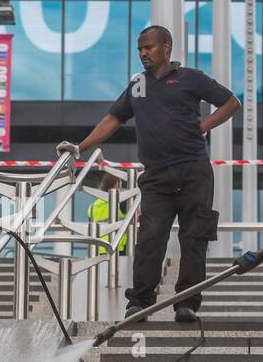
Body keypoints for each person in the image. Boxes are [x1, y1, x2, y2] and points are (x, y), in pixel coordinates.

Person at [57, 25, 240, 322]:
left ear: (166, 47)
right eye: (140, 48)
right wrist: (80, 147)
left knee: (194, 238)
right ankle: (140, 302)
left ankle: (187, 303)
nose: (143, 53)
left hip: (194, 171)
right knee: (150, 237)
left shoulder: (190, 78)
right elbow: (113, 118)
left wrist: (204, 126)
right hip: (155, 176)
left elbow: (232, 102)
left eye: (149, 47)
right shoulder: (137, 84)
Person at [87, 172, 128, 255]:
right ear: (116, 183)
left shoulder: (92, 207)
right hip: (118, 249)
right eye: (120, 183)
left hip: (98, 249)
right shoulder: (121, 204)